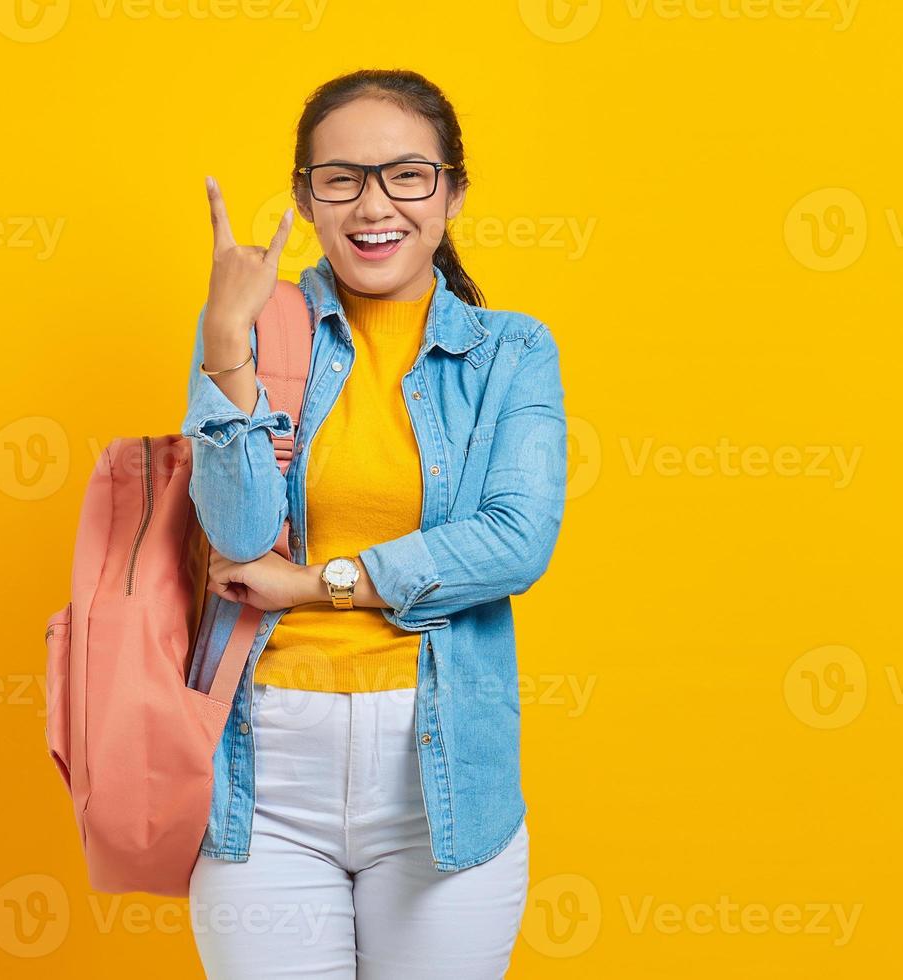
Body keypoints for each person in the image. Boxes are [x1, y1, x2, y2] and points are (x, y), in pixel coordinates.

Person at [181, 68, 568, 979]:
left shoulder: (512, 351)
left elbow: (517, 538)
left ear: (452, 192)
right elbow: (238, 536)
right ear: (308, 200)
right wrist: (222, 342)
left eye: (407, 175)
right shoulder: (259, 330)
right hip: (260, 777)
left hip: (441, 784)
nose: (373, 204)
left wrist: (321, 584)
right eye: (342, 179)